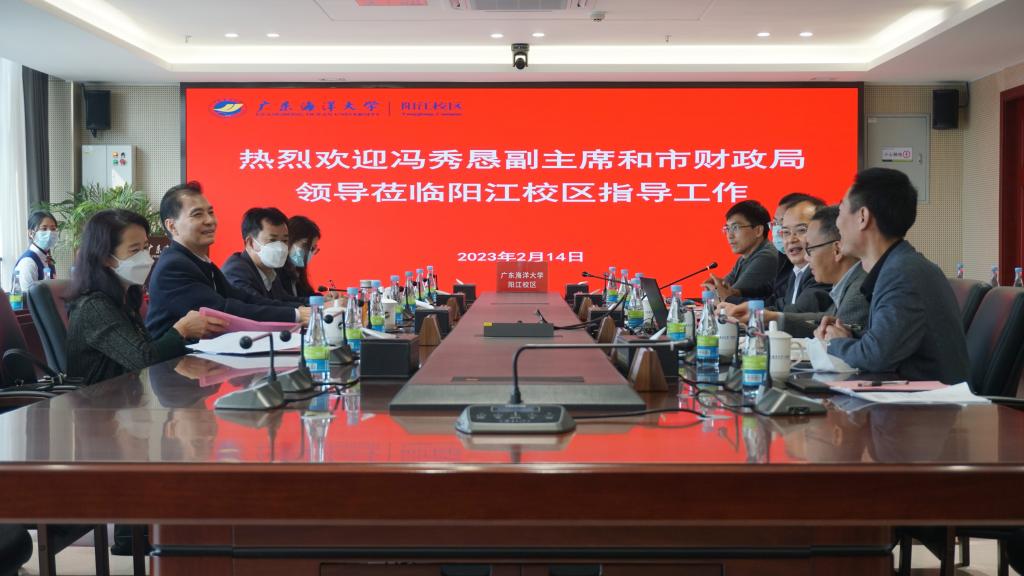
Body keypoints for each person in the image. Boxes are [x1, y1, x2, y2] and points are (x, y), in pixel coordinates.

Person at [816, 168, 969, 384]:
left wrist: (836, 343)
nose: (837, 224)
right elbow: (887, 344)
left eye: (840, 212)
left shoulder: (902, 275)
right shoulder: (900, 265)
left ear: (862, 217)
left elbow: (876, 356)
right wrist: (850, 337)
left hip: (926, 402)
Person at [66, 209, 227, 385]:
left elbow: (148, 349)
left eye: (144, 247)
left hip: (125, 395)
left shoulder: (127, 296)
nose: (145, 257)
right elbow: (143, 359)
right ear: (105, 257)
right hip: (96, 399)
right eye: (135, 250)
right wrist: (181, 330)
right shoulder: (94, 306)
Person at [145, 181, 310, 338]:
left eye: (210, 212)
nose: (210, 220)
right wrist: (295, 315)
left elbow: (245, 298)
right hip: (172, 357)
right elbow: (222, 311)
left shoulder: (199, 261)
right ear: (172, 226)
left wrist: (302, 310)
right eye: (197, 214)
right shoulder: (173, 266)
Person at [721, 196, 832, 320]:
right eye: (786, 232)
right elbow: (780, 304)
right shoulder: (797, 271)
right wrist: (749, 309)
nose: (791, 239)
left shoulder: (823, 272)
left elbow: (801, 312)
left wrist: (758, 314)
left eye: (801, 230)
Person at [768, 205, 868, 338]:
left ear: (837, 250)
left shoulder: (859, 294)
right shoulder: (849, 285)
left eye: (810, 249)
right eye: (786, 232)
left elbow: (837, 339)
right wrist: (773, 318)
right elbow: (823, 319)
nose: (806, 257)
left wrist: (772, 318)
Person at [223, 207, 306, 306]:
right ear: (250, 243)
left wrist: (316, 302)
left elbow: (284, 299)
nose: (280, 248)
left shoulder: (269, 269)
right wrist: (299, 311)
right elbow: (258, 305)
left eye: (284, 241)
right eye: (272, 240)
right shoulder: (237, 271)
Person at [703, 199, 778, 303]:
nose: (729, 235)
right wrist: (715, 286)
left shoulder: (766, 257)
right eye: (727, 229)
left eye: (735, 228)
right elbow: (723, 290)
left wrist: (719, 291)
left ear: (758, 231)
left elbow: (729, 296)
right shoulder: (744, 258)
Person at [14, 210, 59, 292]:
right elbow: (27, 296)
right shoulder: (28, 262)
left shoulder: (46, 258)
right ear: (31, 233)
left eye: (53, 229)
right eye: (44, 229)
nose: (50, 233)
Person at [280, 215, 322, 298]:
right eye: (305, 245)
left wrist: (324, 299)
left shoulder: (297, 270)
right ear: (288, 240)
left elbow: (304, 296)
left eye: (312, 248)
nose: (308, 252)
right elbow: (286, 301)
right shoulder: (276, 272)